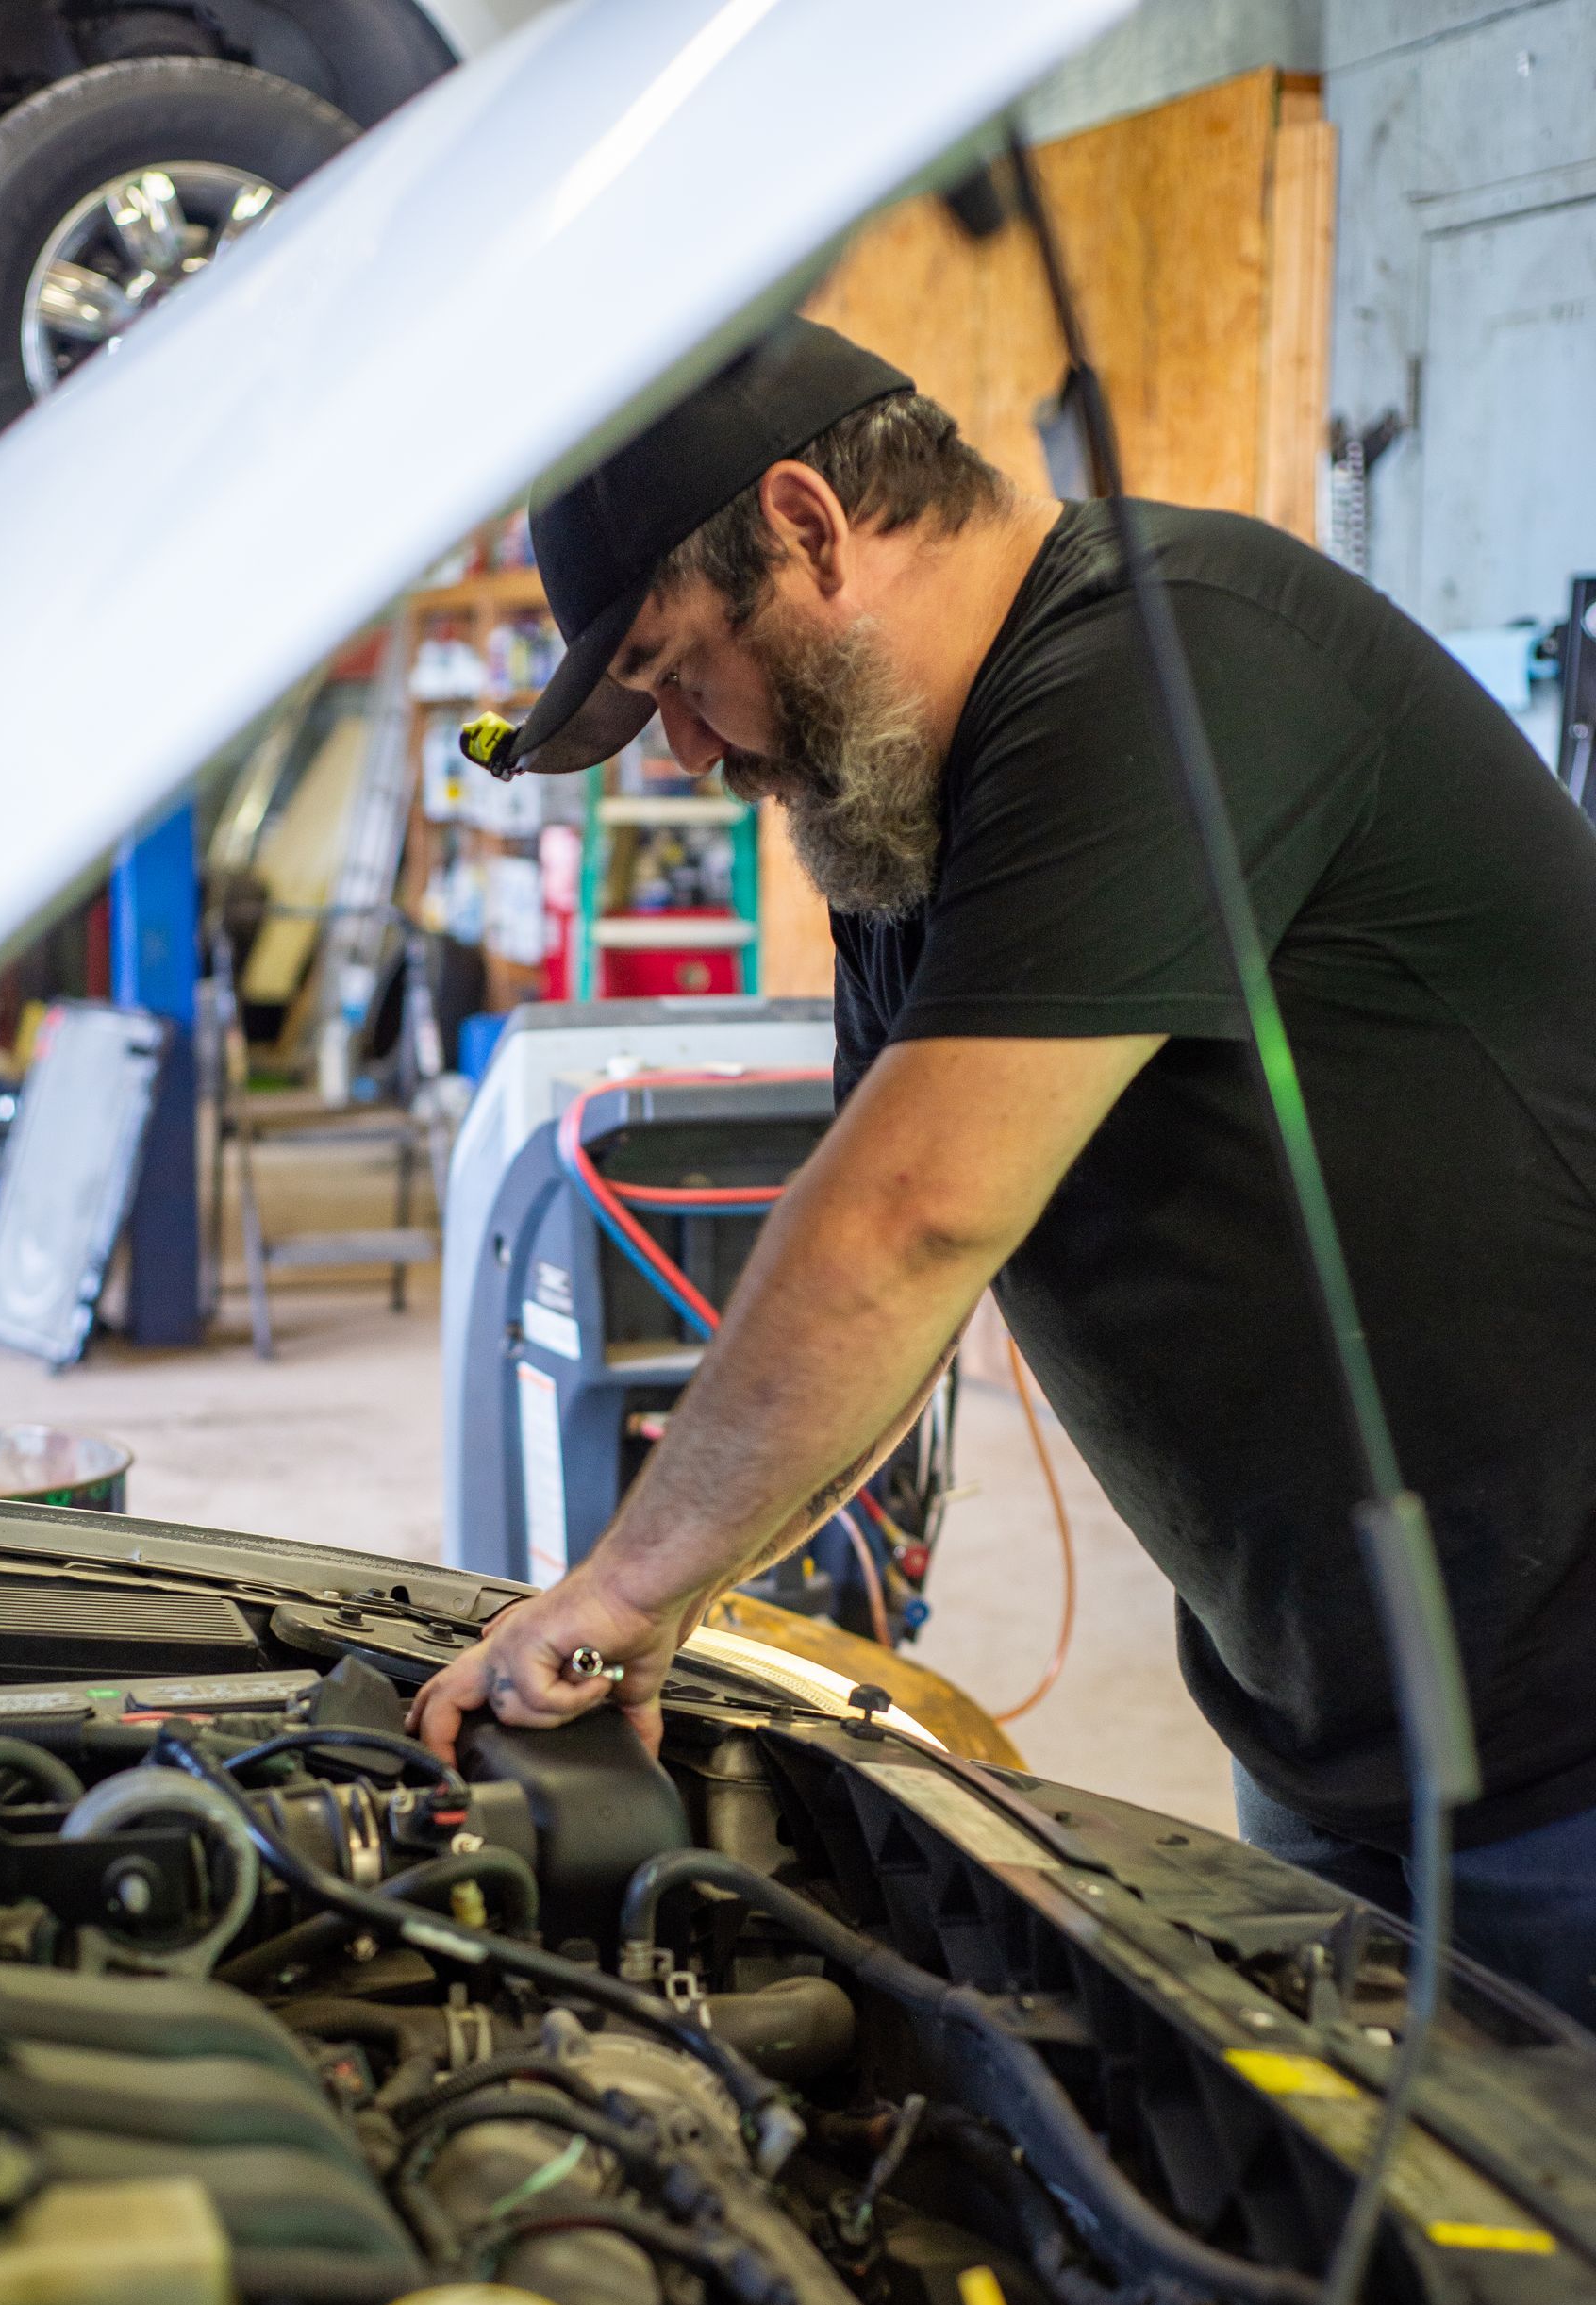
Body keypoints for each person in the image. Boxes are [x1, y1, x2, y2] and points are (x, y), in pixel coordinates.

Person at [408, 317, 1596, 2029]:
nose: (689, 752)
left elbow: (908, 1219)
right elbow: (895, 1299)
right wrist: (680, 1608)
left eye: (681, 672)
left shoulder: (1175, 661)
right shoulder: (903, 831)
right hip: (1338, 1723)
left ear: (811, 526)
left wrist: (627, 1591)